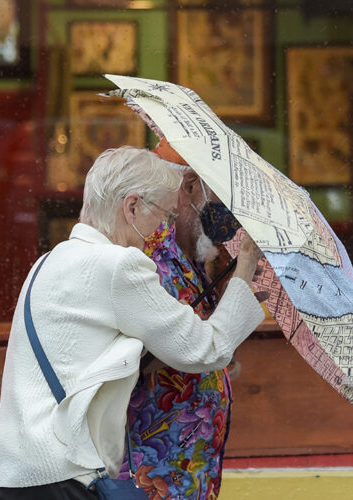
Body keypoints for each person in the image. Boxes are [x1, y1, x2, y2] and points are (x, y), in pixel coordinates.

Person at [0, 146, 266, 499]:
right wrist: (247, 261)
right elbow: (206, 350)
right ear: (132, 207)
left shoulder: (48, 262)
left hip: (8, 479)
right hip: (61, 480)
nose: (165, 232)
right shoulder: (118, 266)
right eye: (166, 217)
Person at [117, 139, 245, 500]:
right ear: (190, 187)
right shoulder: (151, 261)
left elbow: (202, 344)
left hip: (191, 474)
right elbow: (168, 352)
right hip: (153, 479)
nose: (227, 213)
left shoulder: (193, 263)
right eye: (220, 196)